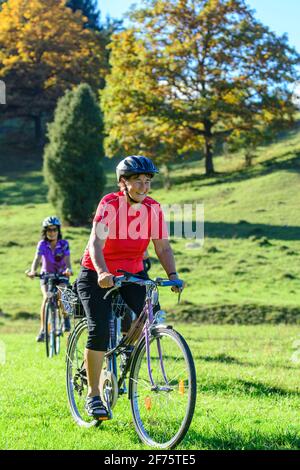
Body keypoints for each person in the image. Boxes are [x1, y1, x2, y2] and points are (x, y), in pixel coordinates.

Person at [77, 155, 183, 420]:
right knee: (99, 327)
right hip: (96, 273)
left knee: (154, 315)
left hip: (132, 273)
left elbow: (162, 246)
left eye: (148, 181)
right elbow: (95, 244)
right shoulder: (109, 205)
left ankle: (126, 350)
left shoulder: (153, 209)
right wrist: (102, 271)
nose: (144, 187)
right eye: (138, 181)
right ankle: (93, 395)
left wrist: (173, 274)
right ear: (123, 182)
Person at [26, 216, 73, 342]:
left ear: (58, 230)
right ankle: (43, 330)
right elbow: (37, 259)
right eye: (49, 230)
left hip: (61, 275)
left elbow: (68, 261)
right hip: (46, 275)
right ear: (45, 231)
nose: (52, 232)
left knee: (62, 291)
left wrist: (68, 269)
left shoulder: (64, 244)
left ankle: (66, 318)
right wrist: (32, 271)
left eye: (54, 229)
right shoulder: (42, 244)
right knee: (46, 297)